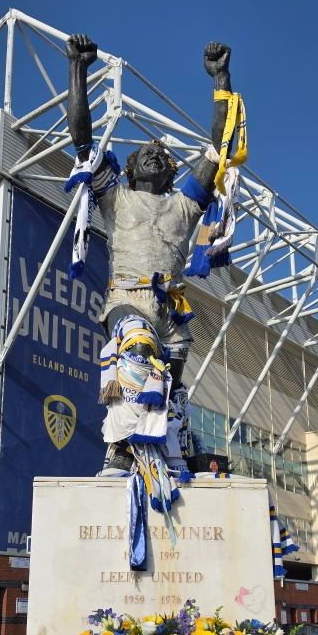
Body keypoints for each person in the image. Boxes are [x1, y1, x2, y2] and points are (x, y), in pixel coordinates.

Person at [65, 34, 240, 481]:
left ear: (173, 171)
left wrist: (221, 78)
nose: (156, 157)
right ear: (128, 168)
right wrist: (78, 70)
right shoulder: (115, 198)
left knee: (171, 388)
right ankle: (120, 450)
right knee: (137, 351)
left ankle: (171, 448)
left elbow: (220, 148)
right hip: (127, 299)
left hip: (172, 310)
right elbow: (82, 138)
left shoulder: (186, 203)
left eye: (162, 156)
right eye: (145, 154)